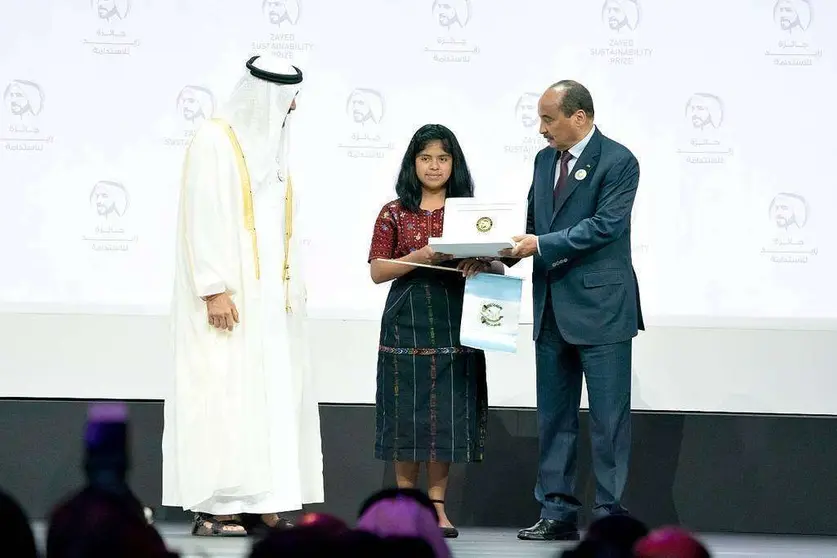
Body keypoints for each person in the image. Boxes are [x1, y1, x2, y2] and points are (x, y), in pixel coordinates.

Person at [162, 53, 324, 537]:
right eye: (288, 97)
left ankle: (264, 498)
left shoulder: (272, 150)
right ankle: (219, 504)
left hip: (272, 307)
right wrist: (212, 288)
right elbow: (202, 213)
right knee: (223, 394)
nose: (294, 107)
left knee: (273, 395)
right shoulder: (214, 140)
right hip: (227, 301)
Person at [502, 80, 644, 540]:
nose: (541, 129)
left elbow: (604, 226)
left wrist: (539, 244)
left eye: (548, 119)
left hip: (602, 309)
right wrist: (498, 250)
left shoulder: (619, 161)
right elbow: (532, 225)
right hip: (550, 309)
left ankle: (609, 517)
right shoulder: (544, 161)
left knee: (608, 421)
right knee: (554, 417)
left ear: (578, 117)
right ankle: (557, 513)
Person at [367, 124, 504, 538]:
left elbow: (501, 262)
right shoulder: (394, 210)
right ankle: (408, 509)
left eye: (442, 158)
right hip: (407, 317)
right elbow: (377, 271)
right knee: (406, 413)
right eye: (425, 158)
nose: (434, 166)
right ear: (413, 163)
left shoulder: (471, 212)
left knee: (444, 416)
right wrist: (423, 253)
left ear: (454, 164)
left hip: (456, 317)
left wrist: (483, 264)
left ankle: (438, 510)